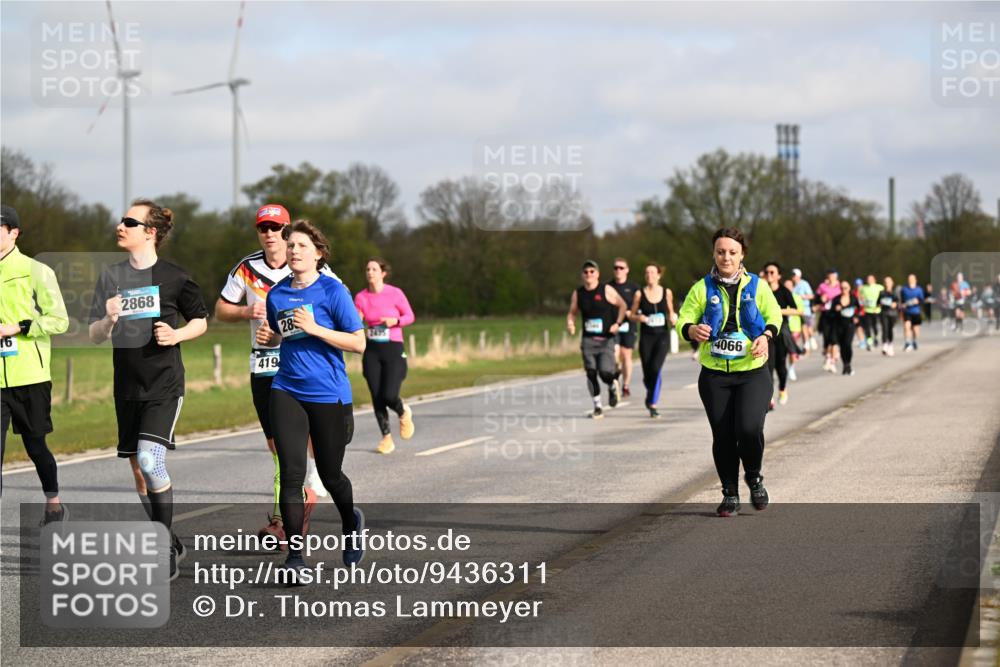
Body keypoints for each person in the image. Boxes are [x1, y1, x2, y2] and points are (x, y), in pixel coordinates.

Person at [88, 199, 209, 580]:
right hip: (126, 388)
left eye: (129, 221)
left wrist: (177, 334)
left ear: (150, 232)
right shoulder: (111, 277)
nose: (120, 226)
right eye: (121, 219)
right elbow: (92, 336)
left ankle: (160, 549)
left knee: (150, 460)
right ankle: (170, 539)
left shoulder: (175, 277)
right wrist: (107, 319)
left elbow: (201, 321)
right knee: (140, 472)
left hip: (164, 385)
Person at [215, 203, 335, 544]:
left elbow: (340, 303)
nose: (270, 234)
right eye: (263, 228)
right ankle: (303, 493)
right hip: (264, 364)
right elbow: (219, 310)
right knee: (275, 445)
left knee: (297, 442)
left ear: (287, 231)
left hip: (302, 364)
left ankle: (293, 509)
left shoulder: (309, 263)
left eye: (276, 228)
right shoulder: (247, 268)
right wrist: (244, 311)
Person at [256, 220, 366, 581]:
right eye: (290, 246)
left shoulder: (333, 292)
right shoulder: (277, 295)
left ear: (318, 253)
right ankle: (296, 559)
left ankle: (351, 522)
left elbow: (358, 342)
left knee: (331, 475)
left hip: (329, 393)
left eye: (301, 245)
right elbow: (282, 336)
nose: (294, 251)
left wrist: (316, 327)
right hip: (286, 389)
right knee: (291, 475)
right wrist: (270, 338)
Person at [676, 228, 781, 517]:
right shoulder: (702, 288)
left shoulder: (758, 286)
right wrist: (691, 329)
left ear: (742, 254)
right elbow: (683, 318)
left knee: (748, 429)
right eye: (721, 251)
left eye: (732, 252)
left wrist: (766, 336)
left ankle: (755, 478)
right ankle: (730, 493)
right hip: (715, 375)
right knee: (723, 436)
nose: (726, 257)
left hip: (752, 371)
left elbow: (775, 316)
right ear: (714, 253)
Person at [0, 205, 69, 524]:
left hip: (30, 375)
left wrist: (19, 327)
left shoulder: (35, 270)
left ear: (14, 233)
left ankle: (53, 504)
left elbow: (60, 320)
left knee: (36, 447)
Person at [354, 257, 415, 455]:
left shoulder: (395, 293)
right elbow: (356, 318)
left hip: (394, 348)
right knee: (376, 396)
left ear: (383, 273)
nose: (370, 272)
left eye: (374, 269)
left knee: (389, 395)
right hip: (372, 350)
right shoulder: (361, 297)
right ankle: (386, 438)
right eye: (367, 269)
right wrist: (357, 318)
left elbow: (410, 316)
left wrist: (394, 320)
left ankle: (403, 411)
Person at [567, 260, 627, 420]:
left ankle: (613, 382)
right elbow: (572, 312)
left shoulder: (606, 290)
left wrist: (618, 323)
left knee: (605, 373)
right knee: (591, 373)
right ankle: (597, 406)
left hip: (606, 339)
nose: (588, 274)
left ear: (597, 274)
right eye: (585, 272)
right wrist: (570, 323)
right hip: (588, 340)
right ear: (582, 275)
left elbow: (622, 305)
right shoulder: (578, 293)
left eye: (592, 271)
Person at [630, 263, 675, 418]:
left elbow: (670, 311)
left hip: (662, 335)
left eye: (652, 272)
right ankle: (650, 391)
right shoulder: (639, 294)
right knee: (648, 372)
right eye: (647, 272)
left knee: (656, 368)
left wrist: (673, 318)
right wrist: (639, 317)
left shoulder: (666, 292)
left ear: (658, 275)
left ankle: (653, 403)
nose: (649, 275)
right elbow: (631, 314)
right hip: (646, 337)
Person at [763, 262, 800, 407]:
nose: (769, 275)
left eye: (772, 272)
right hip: (766, 333)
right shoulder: (762, 290)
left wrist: (778, 311)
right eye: (767, 272)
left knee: (781, 367)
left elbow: (796, 310)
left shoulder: (784, 291)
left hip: (781, 332)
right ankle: (769, 399)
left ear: (778, 275)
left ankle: (783, 389)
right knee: (768, 366)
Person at [610, 258, 640, 398]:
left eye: (621, 268)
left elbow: (640, 306)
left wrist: (632, 313)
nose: (618, 270)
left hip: (629, 325)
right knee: (614, 354)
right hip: (613, 325)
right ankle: (616, 374)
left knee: (626, 355)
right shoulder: (608, 287)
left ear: (627, 270)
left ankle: (626, 385)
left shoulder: (634, 288)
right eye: (616, 268)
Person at [815, 270, 842, 372]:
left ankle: (831, 360)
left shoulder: (840, 286)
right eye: (829, 276)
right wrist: (821, 300)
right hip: (825, 314)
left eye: (833, 276)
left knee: (834, 338)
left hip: (837, 315)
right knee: (826, 337)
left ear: (836, 277)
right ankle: (828, 356)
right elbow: (816, 299)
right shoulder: (822, 286)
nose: (831, 278)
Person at [831, 280, 860, 375]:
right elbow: (830, 313)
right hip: (838, 325)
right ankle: (845, 365)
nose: (844, 290)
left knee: (848, 344)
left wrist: (856, 317)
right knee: (842, 346)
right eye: (842, 288)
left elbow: (859, 309)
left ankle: (848, 364)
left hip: (850, 325)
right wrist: (836, 309)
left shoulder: (853, 298)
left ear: (849, 288)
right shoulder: (836, 299)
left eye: (846, 288)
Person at [783, 278, 805, 381]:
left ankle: (791, 367)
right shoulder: (780, 296)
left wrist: (787, 311)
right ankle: (784, 368)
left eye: (789, 286)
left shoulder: (796, 297)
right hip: (783, 327)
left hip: (794, 327)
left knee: (792, 351)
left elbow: (801, 311)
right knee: (783, 351)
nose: (787, 288)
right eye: (785, 286)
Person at [791, 269, 816, 352]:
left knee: (808, 328)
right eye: (792, 275)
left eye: (794, 275)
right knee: (803, 327)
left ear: (799, 276)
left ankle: (811, 338)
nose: (793, 276)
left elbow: (811, 295)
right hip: (797, 311)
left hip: (806, 310)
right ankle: (806, 344)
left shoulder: (804, 284)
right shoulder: (793, 287)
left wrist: (802, 297)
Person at [858, 274, 884, 350]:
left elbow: (883, 296)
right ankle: (869, 341)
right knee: (867, 326)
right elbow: (860, 297)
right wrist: (863, 301)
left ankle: (875, 336)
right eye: (868, 279)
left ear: (874, 280)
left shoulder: (879, 287)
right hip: (867, 310)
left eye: (871, 279)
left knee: (875, 326)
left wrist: (879, 304)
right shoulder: (863, 288)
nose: (869, 280)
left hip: (876, 310)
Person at [900, 274, 925, 351]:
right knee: (907, 326)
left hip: (916, 311)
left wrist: (917, 301)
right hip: (907, 311)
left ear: (915, 280)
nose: (910, 280)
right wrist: (903, 306)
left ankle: (914, 341)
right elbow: (902, 301)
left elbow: (922, 300)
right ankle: (907, 342)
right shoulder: (904, 289)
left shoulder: (919, 290)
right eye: (909, 279)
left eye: (912, 279)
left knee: (915, 329)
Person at [879, 276, 899, 356]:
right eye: (886, 282)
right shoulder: (881, 293)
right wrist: (880, 304)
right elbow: (878, 302)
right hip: (884, 313)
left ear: (892, 283)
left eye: (889, 282)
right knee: (884, 328)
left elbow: (898, 303)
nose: (887, 284)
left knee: (890, 329)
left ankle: (890, 345)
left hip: (892, 313)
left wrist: (895, 304)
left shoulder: (894, 293)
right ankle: (884, 345)